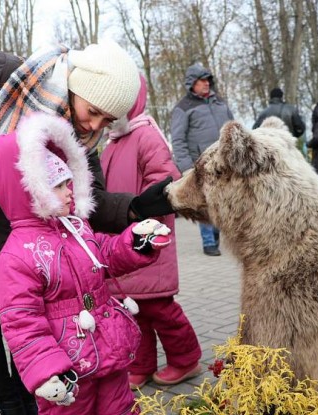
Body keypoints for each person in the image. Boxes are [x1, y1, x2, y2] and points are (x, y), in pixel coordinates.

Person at [0, 42, 173, 415]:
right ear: (76, 87)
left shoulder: (75, 134)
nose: (95, 126)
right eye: (94, 111)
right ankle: (7, 403)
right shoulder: (5, 72)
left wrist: (137, 207)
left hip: (16, 203)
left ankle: (35, 391)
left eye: (107, 121)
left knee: (36, 301)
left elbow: (88, 198)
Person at [0, 112, 169, 414]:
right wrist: (47, 371)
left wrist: (134, 240)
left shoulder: (77, 229)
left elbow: (104, 253)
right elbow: (22, 324)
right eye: (58, 185)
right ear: (30, 190)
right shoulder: (15, 257)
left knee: (121, 407)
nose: (70, 191)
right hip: (67, 371)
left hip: (107, 349)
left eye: (70, 182)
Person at [100, 76, 202, 389]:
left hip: (147, 236)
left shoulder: (146, 135)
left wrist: (139, 213)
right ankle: (141, 365)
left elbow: (163, 180)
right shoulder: (113, 142)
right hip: (122, 240)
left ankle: (186, 360)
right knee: (133, 309)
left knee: (160, 308)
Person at [170, 63, 233, 256]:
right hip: (200, 165)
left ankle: (219, 238)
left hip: (225, 163)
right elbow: (178, 139)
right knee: (204, 203)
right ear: (192, 84)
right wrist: (186, 167)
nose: (206, 84)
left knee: (224, 202)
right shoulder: (183, 108)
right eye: (201, 80)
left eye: (208, 80)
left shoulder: (220, 103)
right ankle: (209, 243)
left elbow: (233, 127)